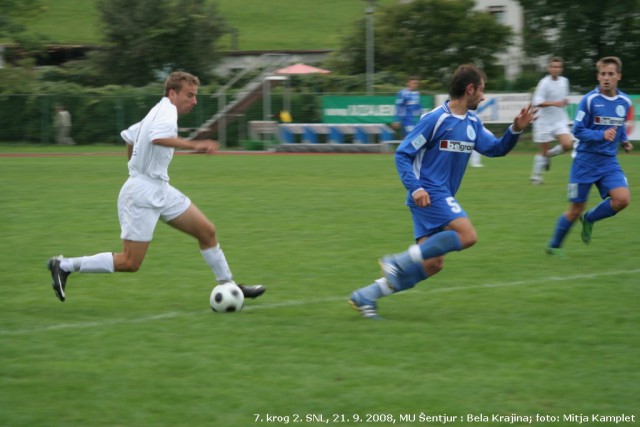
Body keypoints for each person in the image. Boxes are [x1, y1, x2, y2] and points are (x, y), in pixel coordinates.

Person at [47, 71, 265, 302]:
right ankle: (64, 265)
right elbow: (157, 138)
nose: (194, 101)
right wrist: (195, 145)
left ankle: (230, 286)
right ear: (173, 93)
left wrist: (134, 169)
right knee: (130, 262)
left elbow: (130, 137)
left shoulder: (158, 110)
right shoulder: (167, 111)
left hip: (159, 188)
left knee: (207, 231)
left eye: (195, 96)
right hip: (142, 194)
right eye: (189, 95)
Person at [349, 64, 535, 319]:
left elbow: (495, 149)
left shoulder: (473, 122)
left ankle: (366, 296)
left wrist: (516, 129)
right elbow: (403, 154)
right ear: (470, 89)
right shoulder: (435, 119)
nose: (483, 96)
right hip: (428, 192)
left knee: (433, 264)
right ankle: (396, 261)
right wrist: (416, 188)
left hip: (438, 196)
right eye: (482, 90)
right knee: (468, 235)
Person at [546, 56, 633, 255]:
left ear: (618, 76)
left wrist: (624, 140)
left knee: (622, 199)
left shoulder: (624, 101)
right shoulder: (589, 100)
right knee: (575, 209)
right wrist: (600, 135)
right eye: (603, 74)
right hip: (585, 161)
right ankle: (554, 246)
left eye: (610, 74)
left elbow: (618, 127)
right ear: (598, 76)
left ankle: (590, 218)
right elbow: (577, 130)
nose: (606, 78)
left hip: (609, 162)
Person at [530, 57, 574, 184]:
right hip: (544, 122)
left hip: (559, 120)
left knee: (568, 145)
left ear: (561, 69)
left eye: (558, 67)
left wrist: (564, 102)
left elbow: (562, 98)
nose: (556, 69)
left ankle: (549, 155)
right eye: (553, 66)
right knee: (543, 151)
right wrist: (555, 103)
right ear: (549, 68)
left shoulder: (565, 81)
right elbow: (536, 102)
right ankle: (536, 177)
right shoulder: (544, 83)